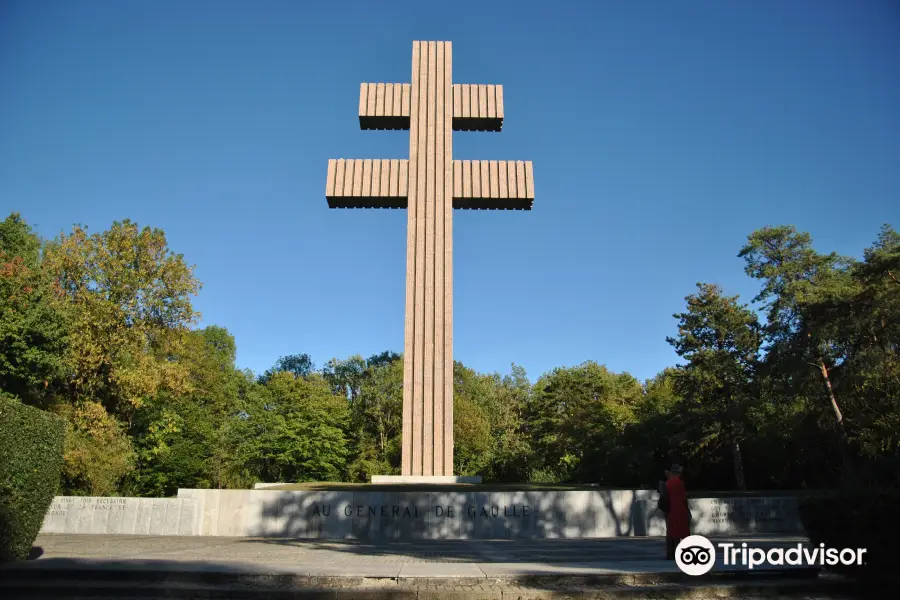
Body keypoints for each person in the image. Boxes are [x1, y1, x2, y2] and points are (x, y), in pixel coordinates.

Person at [658, 464, 690, 560]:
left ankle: (670, 554)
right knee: (682, 532)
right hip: (680, 510)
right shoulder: (680, 483)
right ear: (680, 473)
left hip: (669, 510)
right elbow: (684, 498)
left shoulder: (666, 483)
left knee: (671, 532)